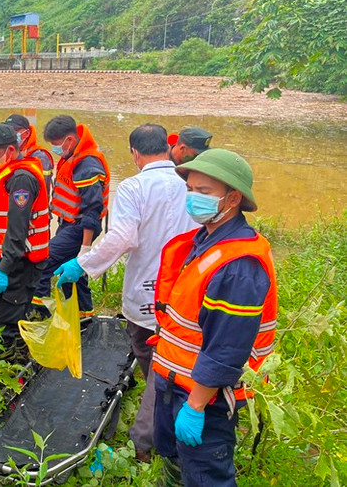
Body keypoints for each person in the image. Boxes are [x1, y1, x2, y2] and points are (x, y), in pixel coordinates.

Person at [54, 124, 198, 462]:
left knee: (155, 364)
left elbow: (121, 238)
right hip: (186, 293)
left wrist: (84, 265)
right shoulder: (190, 184)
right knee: (170, 363)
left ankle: (145, 442)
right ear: (167, 147)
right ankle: (165, 415)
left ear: (134, 153)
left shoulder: (134, 187)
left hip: (147, 296)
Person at [150, 149, 277, 485]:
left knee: (206, 477)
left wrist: (195, 407)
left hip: (205, 399)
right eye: (190, 190)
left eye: (203, 193)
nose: (192, 199)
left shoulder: (238, 267)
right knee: (177, 466)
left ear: (232, 198)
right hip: (177, 383)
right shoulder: (207, 240)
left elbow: (226, 348)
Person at [0, 123, 50, 360]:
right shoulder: (8, 173)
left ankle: (4, 379)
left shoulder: (22, 180)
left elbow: (18, 230)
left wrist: (4, 268)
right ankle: (21, 360)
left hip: (21, 262)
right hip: (14, 258)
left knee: (1, 324)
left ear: (10, 150)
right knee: (13, 313)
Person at [34, 115, 109, 315]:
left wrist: (85, 249)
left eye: (56, 144)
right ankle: (84, 312)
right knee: (69, 268)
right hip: (69, 223)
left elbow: (92, 210)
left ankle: (38, 313)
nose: (54, 149)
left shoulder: (87, 164)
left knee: (43, 262)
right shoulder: (73, 154)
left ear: (70, 139)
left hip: (80, 227)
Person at [3, 113, 54, 195]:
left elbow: (41, 187)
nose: (10, 135)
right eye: (8, 130)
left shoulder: (40, 157)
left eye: (14, 131)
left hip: (31, 204)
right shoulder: (8, 153)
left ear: (26, 133)